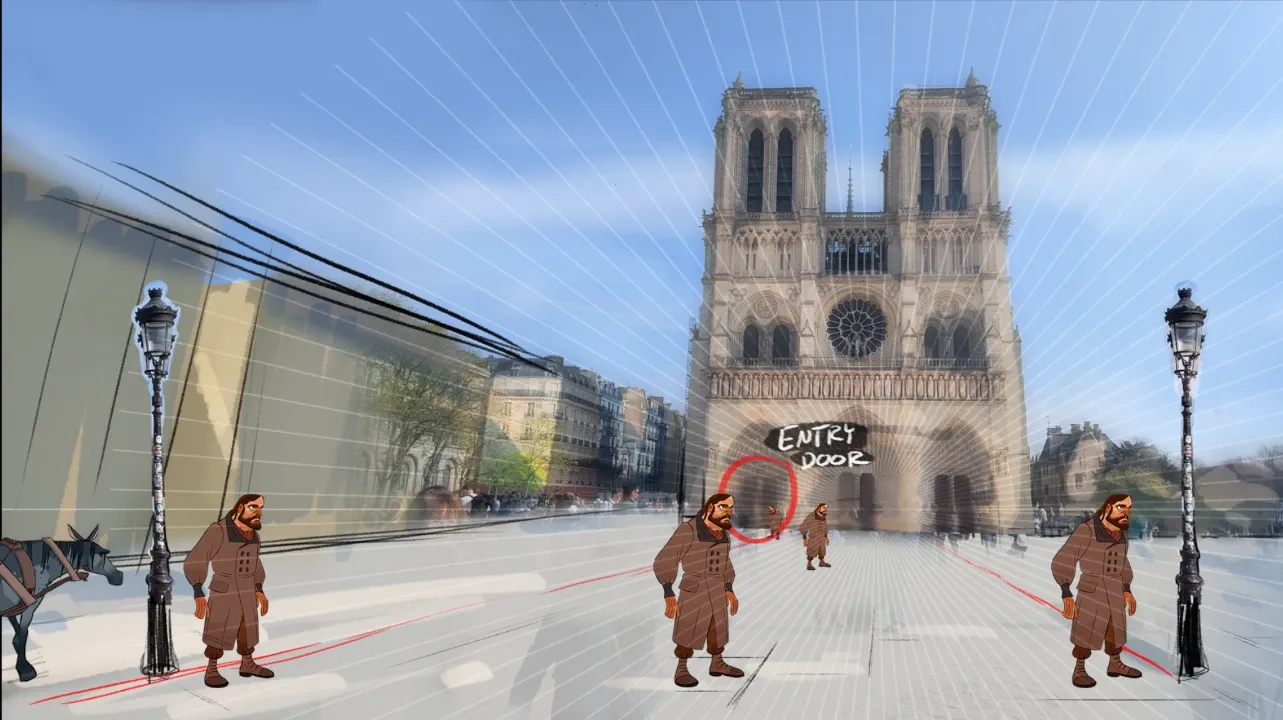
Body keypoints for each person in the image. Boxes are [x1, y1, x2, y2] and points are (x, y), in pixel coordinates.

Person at [1051, 493, 1142, 689]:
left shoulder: (1121, 535)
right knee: (1086, 630)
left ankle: (1115, 663)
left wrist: (1126, 588)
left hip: (1115, 589)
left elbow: (1124, 563)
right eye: (1121, 507)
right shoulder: (1087, 531)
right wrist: (1066, 592)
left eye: (1128, 508)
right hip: (1092, 589)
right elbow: (1065, 557)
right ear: (1108, 508)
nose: (1126, 512)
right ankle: (1079, 669)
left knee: (1115, 629)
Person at [652, 493, 744, 688]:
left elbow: (726, 562)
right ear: (710, 508)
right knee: (689, 628)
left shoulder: (723, 533)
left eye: (730, 507)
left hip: (717, 589)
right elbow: (667, 557)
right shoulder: (688, 530)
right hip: (695, 588)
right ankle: (681, 668)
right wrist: (668, 591)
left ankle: (717, 663)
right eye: (723, 507)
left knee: (718, 628)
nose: (728, 511)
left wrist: (729, 588)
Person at [184, 494, 274, 689]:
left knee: (247, 629)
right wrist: (198, 591)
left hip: (247, 589)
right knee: (219, 630)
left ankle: (247, 663)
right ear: (240, 508)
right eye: (253, 507)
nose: (258, 512)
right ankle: (211, 669)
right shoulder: (218, 531)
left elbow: (256, 563)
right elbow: (197, 557)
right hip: (225, 589)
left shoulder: (253, 535)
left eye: (261, 507)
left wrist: (259, 588)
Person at [799, 503, 831, 570]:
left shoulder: (823, 517)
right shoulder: (811, 516)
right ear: (819, 508)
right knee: (811, 550)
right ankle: (809, 564)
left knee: (822, 550)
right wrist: (805, 538)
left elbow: (825, 527)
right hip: (814, 537)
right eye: (823, 507)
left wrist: (826, 536)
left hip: (821, 537)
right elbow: (803, 526)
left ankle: (821, 562)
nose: (825, 509)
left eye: (826, 508)